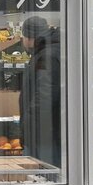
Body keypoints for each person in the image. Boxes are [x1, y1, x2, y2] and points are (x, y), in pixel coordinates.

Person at [18, 16, 63, 168]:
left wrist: (29, 128)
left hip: (45, 134)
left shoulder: (47, 56)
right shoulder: (47, 51)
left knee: (45, 173)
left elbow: (44, 96)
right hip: (48, 131)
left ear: (29, 38)